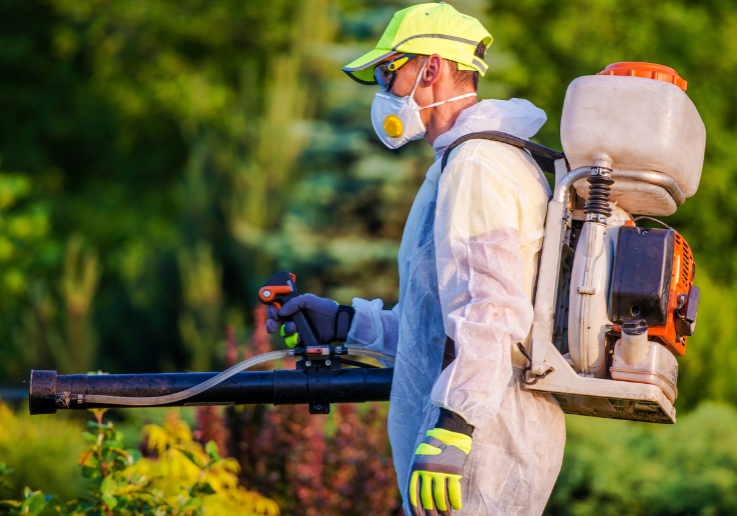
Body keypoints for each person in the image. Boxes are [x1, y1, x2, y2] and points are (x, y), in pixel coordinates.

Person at [266, 3, 566, 515]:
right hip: (471, 444)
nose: (385, 89)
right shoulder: (463, 159)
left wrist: (454, 428)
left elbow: (492, 312)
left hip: (479, 452)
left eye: (389, 71)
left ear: (430, 67)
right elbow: (436, 327)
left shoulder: (478, 164)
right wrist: (344, 322)